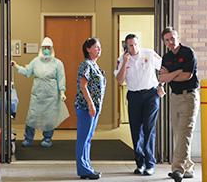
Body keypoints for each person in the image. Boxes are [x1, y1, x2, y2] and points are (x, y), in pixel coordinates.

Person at [114, 34, 164, 176]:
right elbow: (119, 80)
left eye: (135, 44)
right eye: (130, 45)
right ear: (126, 46)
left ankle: (150, 164)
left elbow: (164, 68)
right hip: (134, 96)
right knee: (136, 130)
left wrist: (161, 85)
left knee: (149, 129)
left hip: (151, 95)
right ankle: (140, 163)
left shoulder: (148, 53)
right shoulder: (122, 59)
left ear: (138, 43)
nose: (134, 47)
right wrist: (125, 62)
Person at [11, 37, 69, 148]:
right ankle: (28, 139)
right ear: (41, 49)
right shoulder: (35, 61)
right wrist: (16, 66)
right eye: (44, 48)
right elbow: (27, 72)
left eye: (48, 48)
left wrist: (62, 92)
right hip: (37, 96)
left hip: (51, 97)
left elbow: (61, 78)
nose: (46, 50)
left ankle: (47, 139)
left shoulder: (57, 63)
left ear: (52, 49)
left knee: (49, 119)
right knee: (32, 117)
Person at [159, 27, 200, 182]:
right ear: (164, 42)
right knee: (178, 134)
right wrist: (175, 73)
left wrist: (170, 76)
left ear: (177, 37)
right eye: (167, 40)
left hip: (189, 97)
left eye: (172, 38)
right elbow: (162, 78)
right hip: (174, 98)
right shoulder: (166, 57)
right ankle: (188, 167)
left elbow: (187, 76)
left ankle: (177, 169)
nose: (171, 42)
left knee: (184, 133)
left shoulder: (188, 53)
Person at [75, 37, 106, 180]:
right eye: (96, 47)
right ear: (88, 49)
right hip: (85, 107)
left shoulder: (95, 65)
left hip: (94, 107)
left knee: (88, 138)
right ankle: (83, 169)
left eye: (99, 47)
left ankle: (87, 166)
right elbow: (83, 85)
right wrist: (90, 104)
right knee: (83, 138)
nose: (99, 49)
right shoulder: (86, 64)